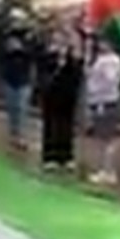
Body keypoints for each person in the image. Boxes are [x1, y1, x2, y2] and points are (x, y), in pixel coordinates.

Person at [38, 23, 84, 171]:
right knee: (50, 123)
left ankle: (66, 155)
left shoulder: (73, 58)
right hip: (51, 92)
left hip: (68, 94)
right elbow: (42, 71)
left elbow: (77, 76)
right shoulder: (47, 54)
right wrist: (56, 59)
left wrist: (73, 58)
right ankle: (49, 156)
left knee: (67, 124)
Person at [86, 38, 120, 187]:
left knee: (106, 138)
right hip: (100, 100)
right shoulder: (103, 59)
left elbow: (111, 79)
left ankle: (108, 170)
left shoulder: (110, 61)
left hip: (105, 101)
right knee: (102, 138)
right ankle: (104, 168)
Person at [0, 6, 34, 152]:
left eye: (18, 20)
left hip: (24, 77)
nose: (16, 23)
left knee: (22, 107)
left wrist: (22, 50)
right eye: (14, 20)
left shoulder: (29, 36)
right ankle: (13, 134)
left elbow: (34, 53)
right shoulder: (5, 36)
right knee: (11, 107)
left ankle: (21, 136)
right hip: (9, 76)